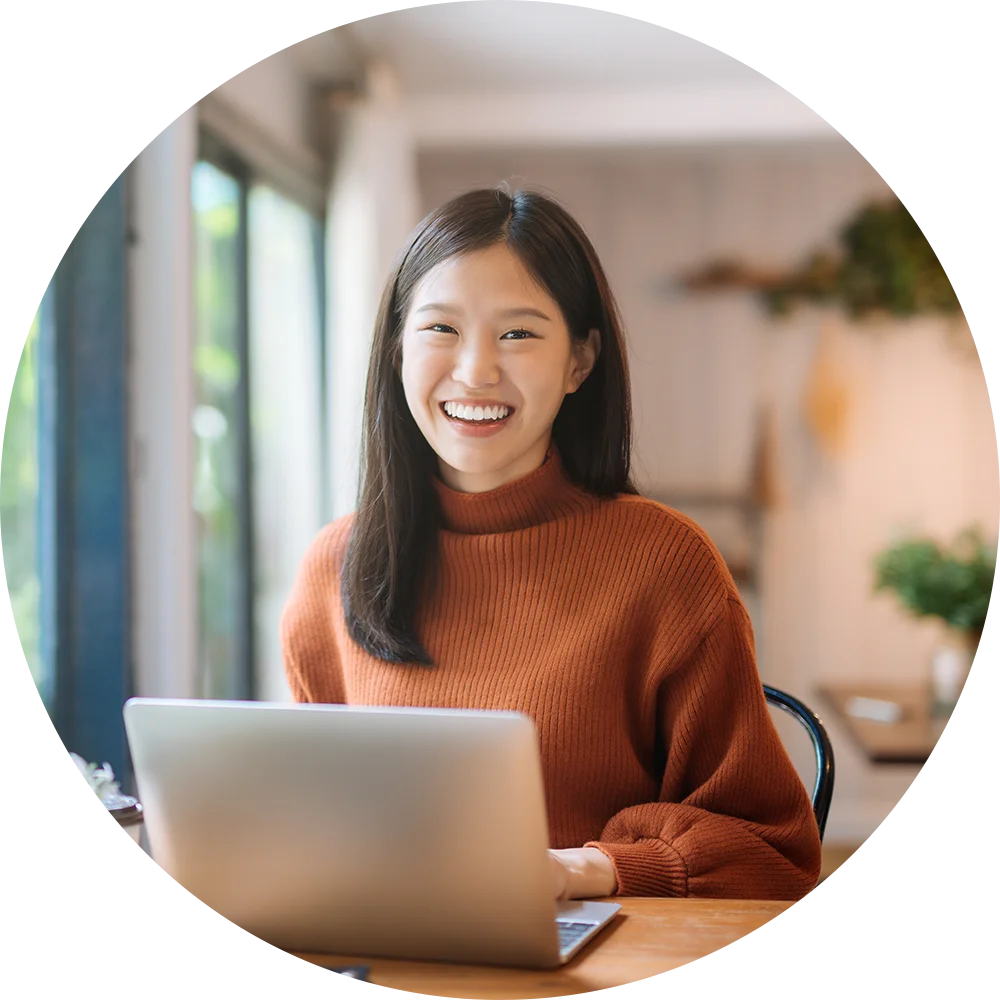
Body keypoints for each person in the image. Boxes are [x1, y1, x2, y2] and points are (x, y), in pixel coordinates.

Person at [281, 186, 822, 901]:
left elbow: (774, 849)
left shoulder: (664, 564)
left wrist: (587, 869)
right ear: (395, 351)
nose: (475, 371)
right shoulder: (335, 567)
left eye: (518, 334)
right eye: (441, 329)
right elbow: (310, 813)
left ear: (580, 361)